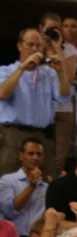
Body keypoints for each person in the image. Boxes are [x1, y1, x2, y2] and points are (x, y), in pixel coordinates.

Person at [0, 28, 71, 178]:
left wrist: (60, 72)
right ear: (20, 46)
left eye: (38, 46)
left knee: (47, 182)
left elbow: (64, 97)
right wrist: (22, 68)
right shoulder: (5, 70)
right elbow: (3, 94)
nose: (34, 49)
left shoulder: (49, 73)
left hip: (43, 136)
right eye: (30, 45)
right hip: (14, 135)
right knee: (8, 180)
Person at [0, 137, 49, 237]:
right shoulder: (7, 181)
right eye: (31, 153)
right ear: (21, 156)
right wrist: (31, 186)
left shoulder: (47, 188)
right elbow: (9, 211)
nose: (35, 157)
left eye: (39, 154)